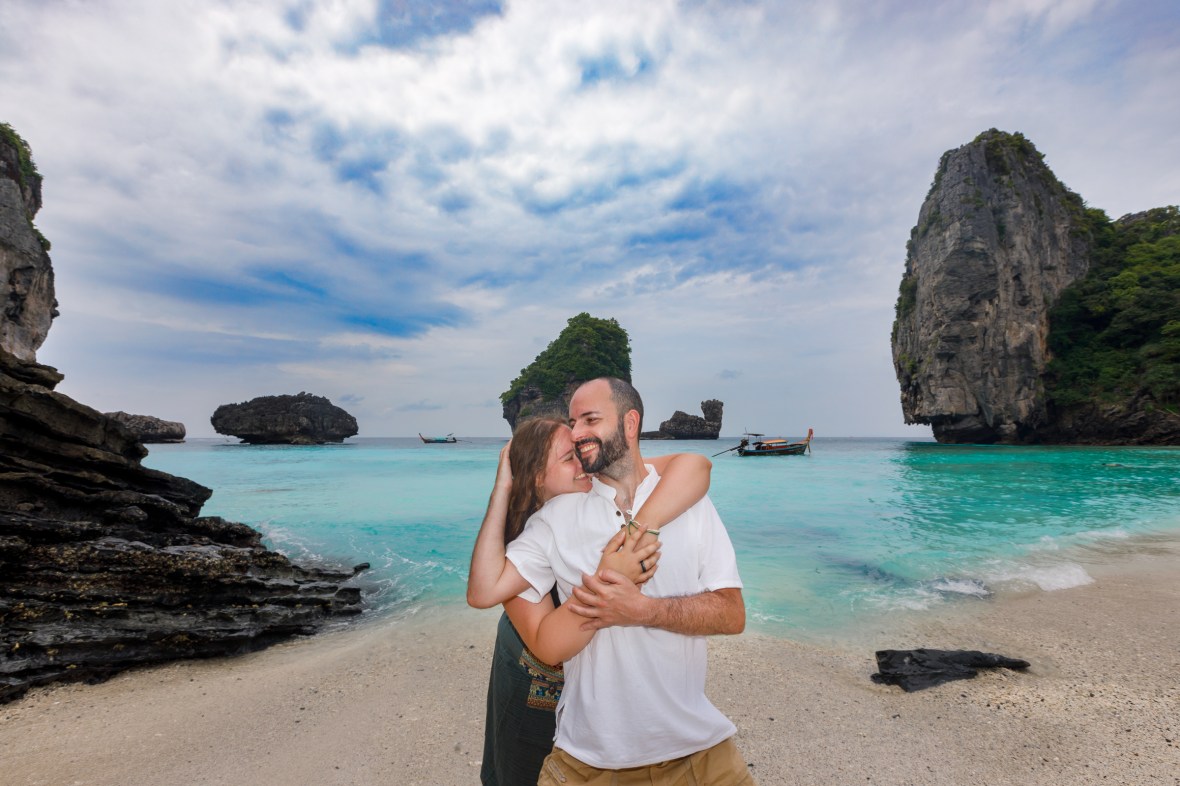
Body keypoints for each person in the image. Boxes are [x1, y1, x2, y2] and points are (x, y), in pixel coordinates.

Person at [476, 377, 756, 785]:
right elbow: (502, 606)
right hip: (570, 731)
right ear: (535, 479)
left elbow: (732, 614)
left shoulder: (682, 499)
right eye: (572, 425)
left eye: (589, 420)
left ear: (630, 423)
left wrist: (643, 605)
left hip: (696, 750)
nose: (577, 435)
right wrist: (503, 486)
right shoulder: (549, 522)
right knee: (513, 763)